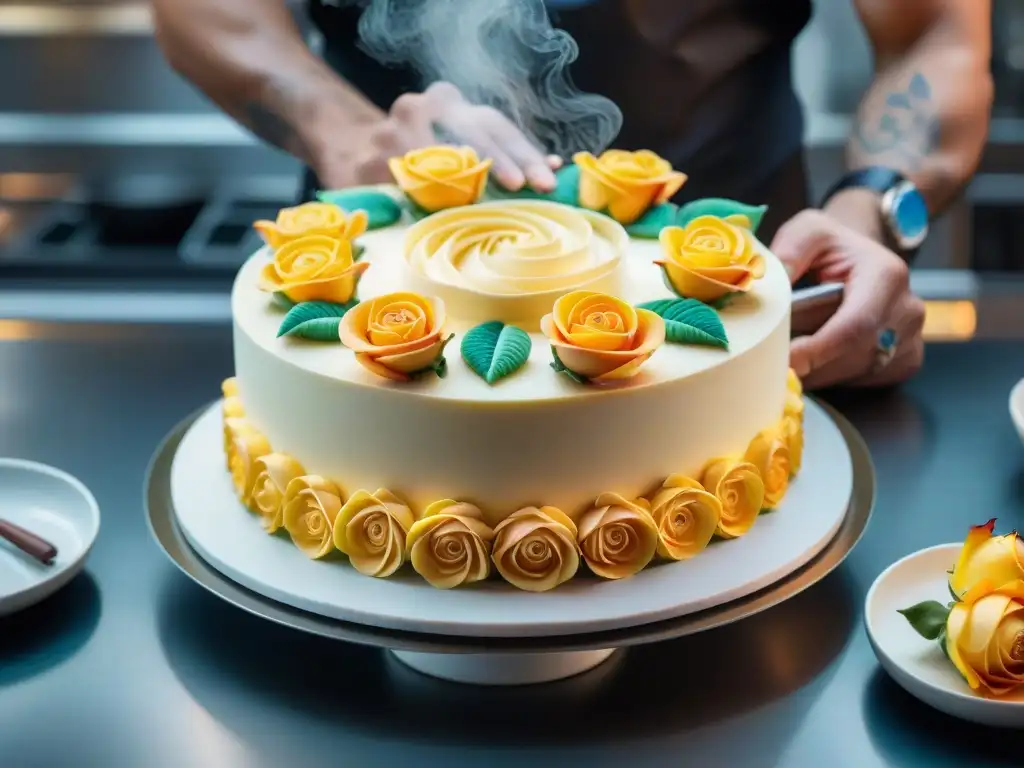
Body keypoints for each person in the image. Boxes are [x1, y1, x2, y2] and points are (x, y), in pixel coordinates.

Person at [152, 0, 992, 389]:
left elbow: (936, 31)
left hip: (754, 310)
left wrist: (872, 214)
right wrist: (343, 132)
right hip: (366, 297)